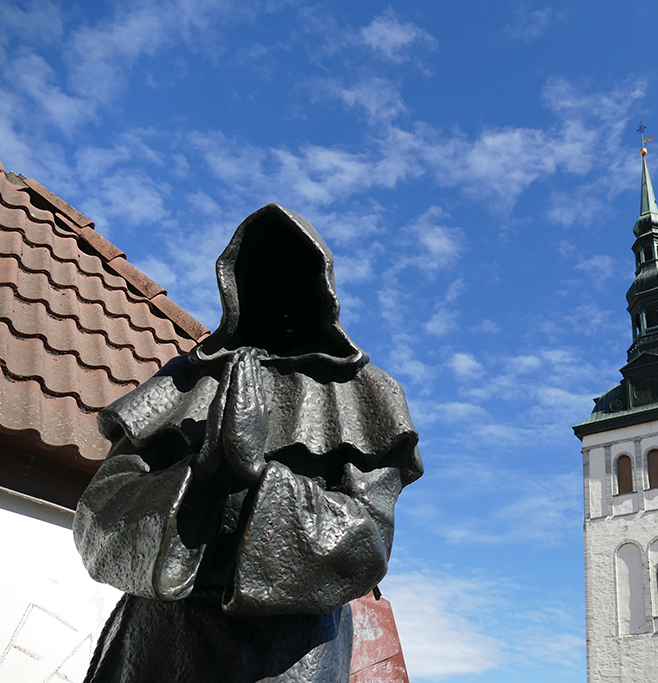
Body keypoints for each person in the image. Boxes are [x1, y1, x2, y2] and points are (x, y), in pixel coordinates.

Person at [73, 204, 422, 683]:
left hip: (290, 652)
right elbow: (98, 517)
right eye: (263, 272)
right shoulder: (181, 382)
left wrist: (258, 475)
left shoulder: (367, 393)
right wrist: (208, 472)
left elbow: (366, 545)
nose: (278, 291)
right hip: (162, 639)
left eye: (293, 274)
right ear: (234, 282)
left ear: (321, 287)